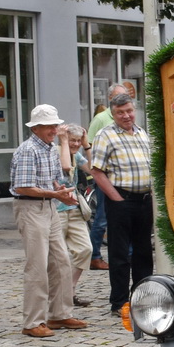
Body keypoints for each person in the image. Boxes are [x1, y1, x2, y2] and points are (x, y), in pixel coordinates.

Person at [11, 105, 87, 338]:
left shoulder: (50, 149)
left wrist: (62, 191)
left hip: (49, 206)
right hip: (30, 207)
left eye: (55, 125)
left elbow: (55, 179)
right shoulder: (28, 150)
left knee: (62, 260)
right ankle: (32, 321)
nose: (54, 129)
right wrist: (56, 194)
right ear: (36, 127)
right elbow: (22, 187)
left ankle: (60, 314)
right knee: (37, 266)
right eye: (49, 126)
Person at [90, 91, 156, 316]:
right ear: (113, 113)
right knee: (119, 255)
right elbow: (96, 171)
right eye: (120, 113)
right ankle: (119, 302)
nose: (126, 116)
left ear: (134, 109)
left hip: (144, 200)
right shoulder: (105, 135)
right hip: (121, 200)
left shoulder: (141, 133)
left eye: (129, 111)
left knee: (144, 252)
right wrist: (116, 198)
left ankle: (142, 297)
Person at [56, 124, 95, 307]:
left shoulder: (77, 154)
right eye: (73, 140)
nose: (76, 144)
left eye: (78, 140)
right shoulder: (55, 151)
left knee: (85, 249)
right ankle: (60, 295)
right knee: (58, 256)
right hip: (56, 210)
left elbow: (94, 168)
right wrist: (64, 142)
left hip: (74, 209)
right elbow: (65, 167)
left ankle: (69, 289)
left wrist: (87, 146)